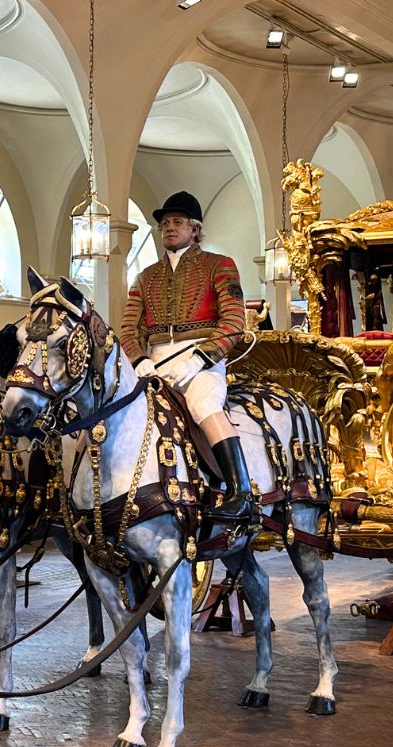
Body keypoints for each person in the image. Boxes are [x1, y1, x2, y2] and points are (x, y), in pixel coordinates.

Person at [119, 191, 254, 521]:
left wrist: (201, 359)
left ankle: (241, 492)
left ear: (195, 229)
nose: (168, 227)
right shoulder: (145, 276)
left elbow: (234, 320)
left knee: (203, 405)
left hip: (201, 359)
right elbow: (128, 328)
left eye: (177, 222)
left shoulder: (219, 266)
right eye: (165, 223)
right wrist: (140, 361)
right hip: (154, 362)